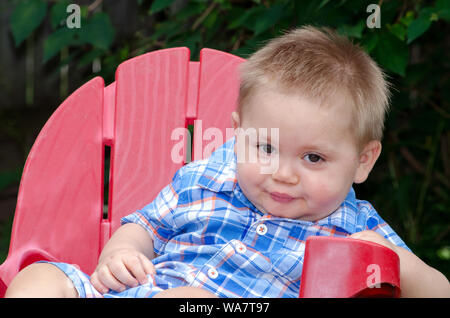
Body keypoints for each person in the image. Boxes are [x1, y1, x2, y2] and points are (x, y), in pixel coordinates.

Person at [6, 26, 449, 298]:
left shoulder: (355, 228)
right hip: (132, 291)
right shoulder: (208, 177)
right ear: (237, 132)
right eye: (266, 146)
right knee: (42, 278)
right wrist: (123, 252)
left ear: (362, 162)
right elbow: (145, 223)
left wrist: (394, 260)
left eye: (313, 157)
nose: (283, 172)